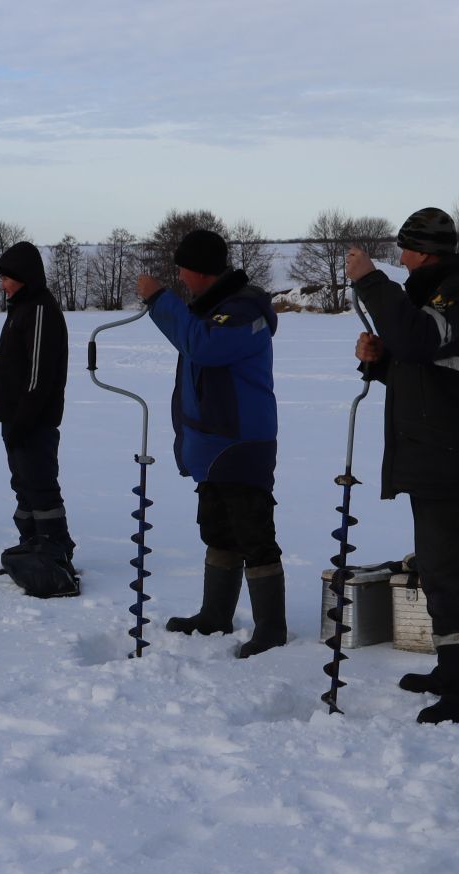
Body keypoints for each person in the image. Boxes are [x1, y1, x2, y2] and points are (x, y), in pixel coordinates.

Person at [346, 207, 459, 722]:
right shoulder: (436, 295)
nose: (399, 258)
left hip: (454, 455)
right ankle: (453, 668)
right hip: (435, 451)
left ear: (423, 251)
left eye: (405, 249)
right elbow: (423, 365)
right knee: (440, 570)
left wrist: (371, 282)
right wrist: (379, 362)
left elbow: (420, 339)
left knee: (453, 571)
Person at [137, 228, 285, 658]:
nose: (180, 276)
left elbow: (203, 347)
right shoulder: (214, 309)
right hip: (212, 445)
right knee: (217, 529)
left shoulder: (242, 312)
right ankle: (215, 615)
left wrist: (159, 300)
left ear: (199, 270)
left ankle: (271, 629)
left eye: (183, 267)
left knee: (254, 532)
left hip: (242, 442)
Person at [0, 240, 77, 595]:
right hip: (16, 417)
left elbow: (38, 375)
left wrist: (24, 420)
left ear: (23, 277)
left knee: (40, 487)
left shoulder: (39, 310)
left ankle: (55, 556)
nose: (2, 283)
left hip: (33, 421)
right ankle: (32, 551)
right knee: (24, 488)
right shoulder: (20, 309)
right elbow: (13, 367)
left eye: (6, 277)